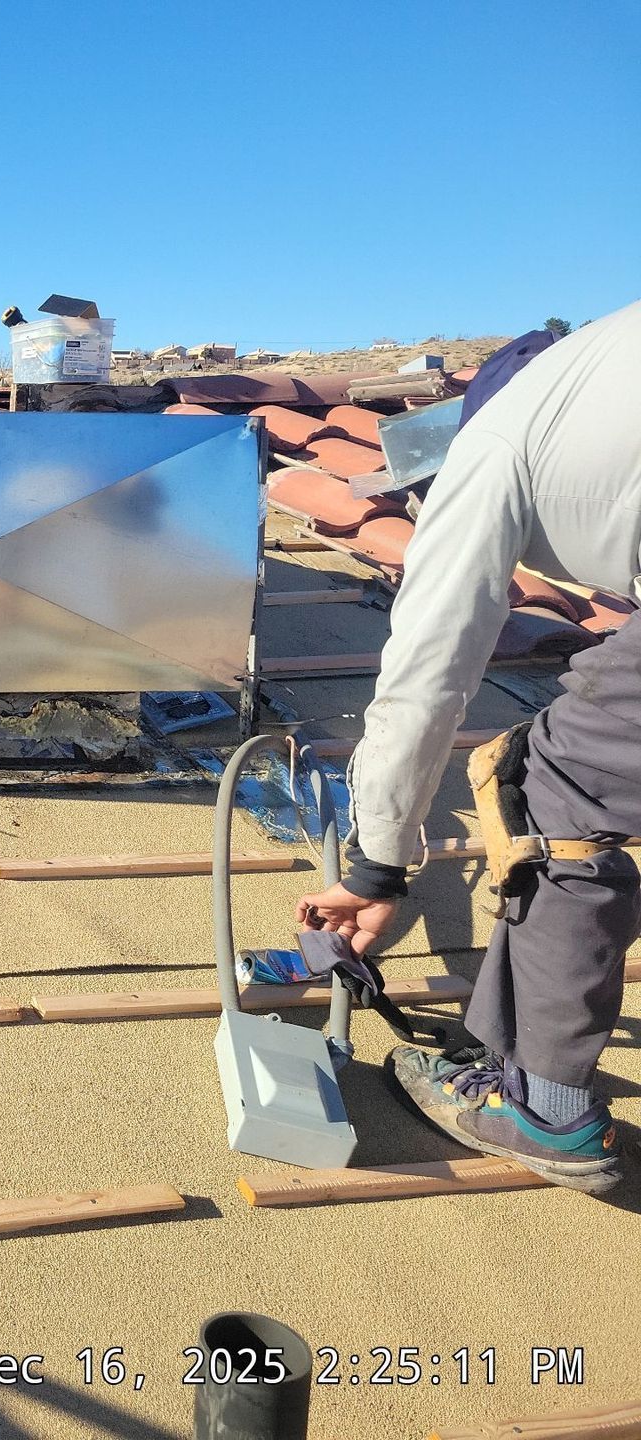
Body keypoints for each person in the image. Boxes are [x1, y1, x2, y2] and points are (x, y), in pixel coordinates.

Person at [296, 302, 641, 1194]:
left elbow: (424, 678)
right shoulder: (602, 372)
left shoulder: (498, 446)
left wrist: (376, 866)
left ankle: (543, 1107)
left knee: (563, 782)